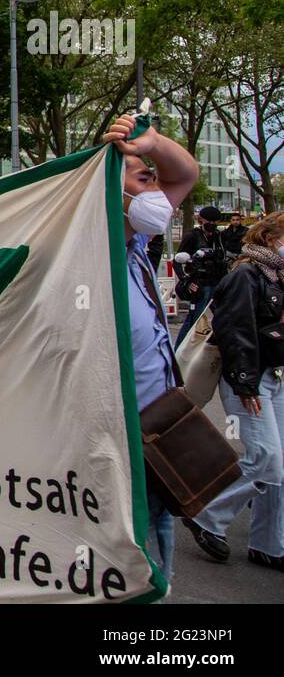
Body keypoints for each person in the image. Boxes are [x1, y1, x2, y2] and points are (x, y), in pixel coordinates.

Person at [101, 112, 199, 589]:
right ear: (108, 192)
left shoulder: (137, 243)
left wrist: (152, 143)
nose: (161, 194)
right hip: (112, 449)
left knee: (158, 552)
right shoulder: (90, 259)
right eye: (144, 180)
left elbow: (187, 174)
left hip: (157, 439)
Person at [183, 212, 284, 572]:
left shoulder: (278, 277)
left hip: (273, 376)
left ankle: (270, 543)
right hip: (249, 379)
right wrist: (244, 380)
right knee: (266, 456)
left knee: (279, 464)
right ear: (272, 239)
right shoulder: (247, 274)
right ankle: (207, 516)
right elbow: (235, 329)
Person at [175, 205, 228, 346]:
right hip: (200, 283)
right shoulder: (192, 236)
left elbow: (222, 257)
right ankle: (179, 350)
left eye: (215, 221)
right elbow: (177, 262)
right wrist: (186, 281)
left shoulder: (219, 237)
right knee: (194, 319)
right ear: (201, 220)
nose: (212, 224)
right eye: (209, 221)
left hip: (217, 282)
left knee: (223, 317)